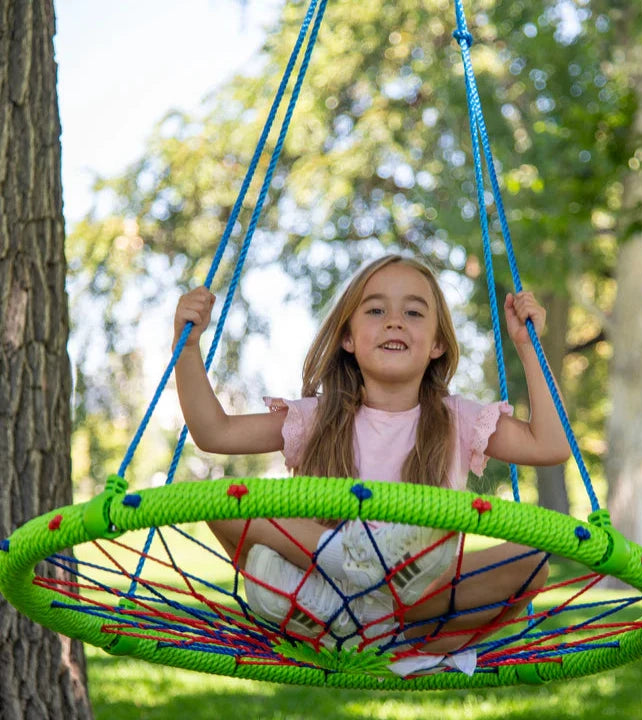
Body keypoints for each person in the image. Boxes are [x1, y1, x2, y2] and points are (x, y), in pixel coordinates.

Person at [173, 254, 570, 673]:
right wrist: (188, 347)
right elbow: (214, 434)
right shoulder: (318, 417)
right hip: (326, 584)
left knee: (530, 560)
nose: (394, 321)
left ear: (437, 344)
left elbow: (550, 444)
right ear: (348, 337)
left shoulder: (458, 419)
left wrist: (529, 347)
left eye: (413, 312)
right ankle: (350, 568)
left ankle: (370, 630)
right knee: (222, 503)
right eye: (376, 310)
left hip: (417, 598)